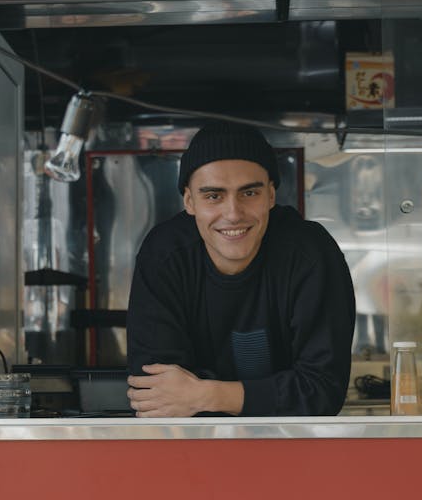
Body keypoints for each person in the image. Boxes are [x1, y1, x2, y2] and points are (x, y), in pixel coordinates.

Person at [126, 121, 355, 417]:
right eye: (213, 196)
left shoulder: (309, 255)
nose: (233, 214)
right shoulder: (166, 256)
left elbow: (323, 392)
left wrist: (205, 395)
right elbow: (156, 396)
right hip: (191, 451)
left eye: (249, 193)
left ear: (271, 196)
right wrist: (272, 397)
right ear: (189, 201)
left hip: (294, 447)